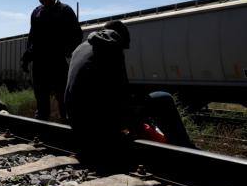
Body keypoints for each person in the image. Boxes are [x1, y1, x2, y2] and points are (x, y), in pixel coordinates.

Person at [64, 20, 194, 165]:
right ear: (121, 38)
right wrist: (136, 119)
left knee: (139, 105)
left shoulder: (81, 48)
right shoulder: (113, 46)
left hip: (77, 123)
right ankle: (185, 149)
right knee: (163, 98)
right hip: (99, 124)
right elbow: (121, 93)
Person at [21, 0, 83, 121]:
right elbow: (32, 37)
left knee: (63, 99)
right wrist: (27, 57)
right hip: (39, 63)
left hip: (57, 62)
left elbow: (77, 35)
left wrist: (66, 51)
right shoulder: (36, 12)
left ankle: (66, 128)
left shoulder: (64, 11)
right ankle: (42, 130)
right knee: (41, 100)